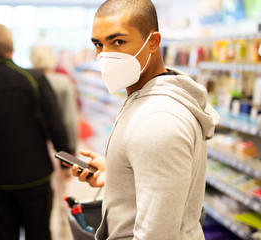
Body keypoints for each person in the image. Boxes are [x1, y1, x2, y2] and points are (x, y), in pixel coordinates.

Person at [70, 0, 220, 239]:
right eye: (98, 44)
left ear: (153, 42)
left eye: (118, 42)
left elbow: (156, 234)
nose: (105, 55)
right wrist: (117, 174)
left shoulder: (158, 120)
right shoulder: (145, 95)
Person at [0, 23, 73, 240]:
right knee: (39, 233)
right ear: (11, 46)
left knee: (4, 234)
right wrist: (65, 160)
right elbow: (55, 124)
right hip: (36, 176)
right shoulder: (34, 80)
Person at [30, 44, 79, 239]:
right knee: (62, 190)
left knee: (42, 193)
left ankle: (45, 226)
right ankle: (63, 228)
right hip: (60, 146)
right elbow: (69, 118)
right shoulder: (62, 82)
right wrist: (70, 152)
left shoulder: (29, 82)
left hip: (38, 148)